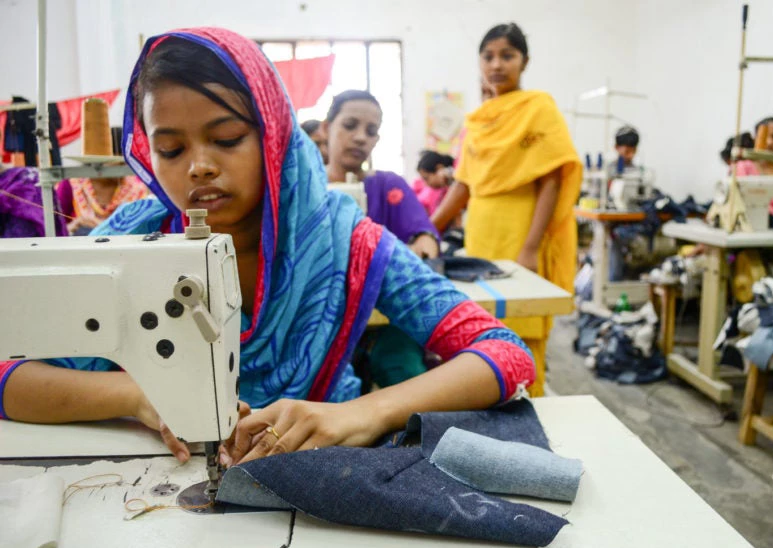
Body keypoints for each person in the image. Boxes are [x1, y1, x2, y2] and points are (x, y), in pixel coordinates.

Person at [0, 29, 536, 467]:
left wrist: (367, 412)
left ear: (273, 134)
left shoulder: (346, 242)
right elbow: (7, 370)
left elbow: (504, 352)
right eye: (170, 148)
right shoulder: (126, 246)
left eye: (227, 138)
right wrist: (137, 397)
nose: (199, 166)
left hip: (325, 474)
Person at [429, 23, 582, 396]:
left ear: (524, 61)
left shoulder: (538, 108)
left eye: (507, 56)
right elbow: (464, 184)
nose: (497, 64)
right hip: (481, 233)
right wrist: (427, 229)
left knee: (523, 328)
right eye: (489, 56)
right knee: (481, 330)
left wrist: (529, 248)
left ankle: (530, 414)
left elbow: (551, 181)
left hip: (521, 229)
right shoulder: (479, 119)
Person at [321, 89, 440, 260]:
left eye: (371, 131)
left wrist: (421, 249)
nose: (361, 138)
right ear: (326, 128)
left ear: (376, 139)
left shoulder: (389, 186)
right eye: (349, 125)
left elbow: (425, 240)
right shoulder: (306, 187)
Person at [55, 175, 149, 235]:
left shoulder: (137, 189)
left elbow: (143, 233)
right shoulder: (71, 184)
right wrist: (72, 227)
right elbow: (52, 232)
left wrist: (101, 227)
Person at [414, 150, 454, 216]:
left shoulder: (455, 183)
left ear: (439, 168)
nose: (425, 184)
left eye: (426, 178)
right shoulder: (442, 189)